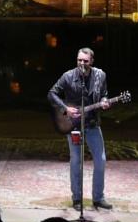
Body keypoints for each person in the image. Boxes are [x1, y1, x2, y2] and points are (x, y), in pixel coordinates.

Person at [48, 47, 112, 211]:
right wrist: (65, 109)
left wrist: (105, 101)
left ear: (91, 61)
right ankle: (77, 198)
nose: (82, 64)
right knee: (76, 161)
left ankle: (98, 198)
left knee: (101, 160)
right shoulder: (68, 76)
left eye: (85, 61)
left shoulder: (100, 76)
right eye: (79, 60)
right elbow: (52, 94)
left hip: (92, 125)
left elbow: (104, 93)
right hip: (74, 125)